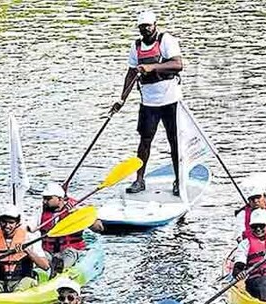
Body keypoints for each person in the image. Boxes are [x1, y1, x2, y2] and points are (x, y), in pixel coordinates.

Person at [110, 10, 184, 195]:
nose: (145, 30)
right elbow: (131, 73)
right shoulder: (136, 46)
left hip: (170, 100)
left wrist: (153, 67)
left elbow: (178, 65)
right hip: (149, 102)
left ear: (155, 25)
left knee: (174, 141)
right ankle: (139, 180)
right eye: (142, 27)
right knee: (144, 141)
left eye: (148, 26)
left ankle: (178, 180)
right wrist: (122, 99)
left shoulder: (165, 40)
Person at [35, 182, 104, 274]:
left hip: (71, 250)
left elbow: (99, 228)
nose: (44, 202)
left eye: (48, 199)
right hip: (48, 251)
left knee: (69, 254)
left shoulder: (76, 209)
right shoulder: (40, 212)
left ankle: (62, 272)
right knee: (42, 259)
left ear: (60, 199)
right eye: (44, 199)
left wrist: (79, 214)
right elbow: (30, 229)